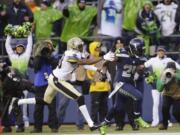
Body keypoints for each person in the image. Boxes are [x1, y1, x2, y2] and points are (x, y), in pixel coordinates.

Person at [9, 37, 115, 131]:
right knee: (79, 97)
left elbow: (85, 65)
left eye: (81, 45)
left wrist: (98, 70)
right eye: (79, 45)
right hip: (58, 80)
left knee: (45, 100)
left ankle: (18, 102)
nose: (82, 47)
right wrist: (103, 57)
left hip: (54, 78)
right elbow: (84, 63)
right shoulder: (70, 55)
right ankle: (91, 124)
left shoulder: (75, 53)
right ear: (74, 47)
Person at [100, 37, 150, 135]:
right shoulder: (122, 53)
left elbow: (139, 68)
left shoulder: (140, 57)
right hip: (120, 83)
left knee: (117, 107)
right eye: (140, 49)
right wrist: (103, 72)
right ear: (134, 48)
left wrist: (145, 73)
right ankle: (137, 117)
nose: (141, 51)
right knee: (138, 96)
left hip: (129, 83)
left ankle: (104, 124)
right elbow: (107, 61)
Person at [143, 46, 180, 127]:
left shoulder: (169, 60)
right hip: (156, 84)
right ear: (157, 52)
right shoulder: (152, 60)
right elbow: (143, 66)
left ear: (165, 52)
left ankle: (167, 121)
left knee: (165, 105)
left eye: (162, 51)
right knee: (156, 104)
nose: (161, 52)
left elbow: (178, 67)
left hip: (166, 85)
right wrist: (147, 76)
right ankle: (155, 121)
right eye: (159, 51)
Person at [31, 40, 59, 133]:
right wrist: (40, 54)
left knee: (52, 107)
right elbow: (36, 66)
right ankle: (37, 128)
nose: (47, 47)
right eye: (45, 45)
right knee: (38, 108)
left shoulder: (54, 56)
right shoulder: (37, 57)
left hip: (50, 84)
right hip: (39, 84)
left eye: (49, 45)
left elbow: (55, 64)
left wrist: (47, 55)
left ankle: (54, 126)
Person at [0, 62, 34, 133]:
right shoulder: (9, 72)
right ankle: (8, 126)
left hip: (13, 91)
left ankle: (19, 126)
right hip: (9, 91)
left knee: (14, 108)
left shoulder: (11, 71)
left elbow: (22, 82)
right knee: (6, 109)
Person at [87, 41, 111, 125]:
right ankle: (94, 123)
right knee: (95, 107)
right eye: (97, 47)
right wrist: (92, 79)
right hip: (95, 88)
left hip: (104, 87)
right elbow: (89, 75)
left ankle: (104, 122)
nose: (99, 48)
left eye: (99, 47)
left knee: (104, 107)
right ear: (93, 48)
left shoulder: (103, 58)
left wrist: (108, 82)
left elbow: (106, 71)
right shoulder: (89, 60)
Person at [156, 62, 180, 130]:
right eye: (169, 69)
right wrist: (163, 81)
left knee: (176, 112)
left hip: (178, 95)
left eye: (172, 69)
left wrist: (174, 75)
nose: (170, 71)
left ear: (175, 69)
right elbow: (159, 89)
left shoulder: (178, 72)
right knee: (164, 108)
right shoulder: (163, 73)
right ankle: (164, 124)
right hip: (167, 95)